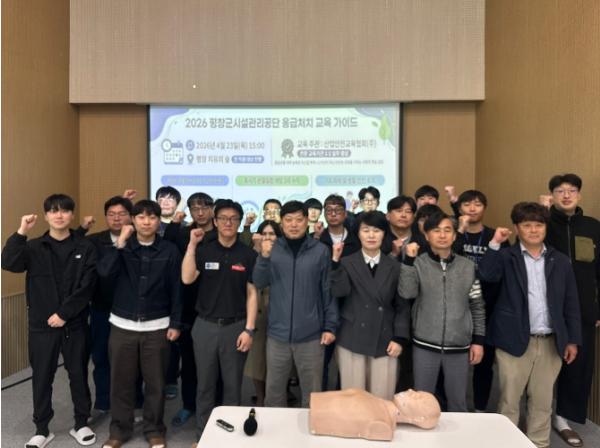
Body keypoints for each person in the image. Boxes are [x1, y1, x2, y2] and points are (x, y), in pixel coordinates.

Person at [478, 202, 581, 448]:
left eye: (538, 225)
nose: (533, 230)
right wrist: (495, 243)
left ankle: (539, 443)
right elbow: (486, 276)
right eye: (527, 225)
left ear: (545, 227)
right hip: (512, 340)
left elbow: (571, 302)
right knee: (509, 401)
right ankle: (507, 444)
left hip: (550, 342)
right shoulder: (506, 256)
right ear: (516, 228)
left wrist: (573, 340)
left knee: (542, 403)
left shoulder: (560, 261)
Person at [2, 194, 97, 447]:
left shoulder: (85, 247)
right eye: (53, 211)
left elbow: (87, 286)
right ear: (46, 216)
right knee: (42, 377)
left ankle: (81, 423)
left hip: (74, 323)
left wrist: (64, 314)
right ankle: (42, 428)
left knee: (78, 374)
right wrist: (22, 231)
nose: (59, 215)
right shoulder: (33, 247)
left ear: (72, 215)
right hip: (41, 326)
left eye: (64, 210)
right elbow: (8, 262)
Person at [97, 199, 183, 448]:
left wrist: (176, 323)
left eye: (152, 217)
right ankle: (119, 430)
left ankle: (154, 428)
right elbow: (104, 273)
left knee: (156, 383)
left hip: (157, 326)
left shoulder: (169, 250)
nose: (147, 222)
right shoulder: (122, 247)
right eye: (141, 217)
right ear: (132, 220)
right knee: (121, 383)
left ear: (158, 221)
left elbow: (177, 289)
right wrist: (121, 244)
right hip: (122, 325)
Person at [181, 199, 258, 438]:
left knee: (232, 386)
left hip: (236, 327)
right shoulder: (205, 250)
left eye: (233, 219)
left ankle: (229, 437)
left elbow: (252, 293)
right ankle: (204, 435)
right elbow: (187, 278)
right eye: (223, 218)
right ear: (215, 222)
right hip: (205, 326)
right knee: (205, 384)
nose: (228, 223)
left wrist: (249, 329)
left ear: (239, 222)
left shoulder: (248, 254)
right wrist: (192, 246)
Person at [253, 200, 339, 408]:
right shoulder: (272, 249)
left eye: (299, 220)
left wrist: (330, 326)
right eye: (288, 220)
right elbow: (259, 282)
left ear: (307, 221)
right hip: (277, 335)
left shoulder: (320, 251)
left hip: (311, 336)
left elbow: (327, 291)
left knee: (312, 395)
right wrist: (264, 257)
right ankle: (275, 430)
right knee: (274, 393)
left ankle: (312, 429)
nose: (294, 224)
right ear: (281, 223)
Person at [398, 211, 485, 412]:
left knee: (458, 402)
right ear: (427, 236)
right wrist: (408, 261)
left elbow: (477, 305)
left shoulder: (468, 267)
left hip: (459, 345)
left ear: (455, 236)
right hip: (425, 344)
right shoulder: (418, 263)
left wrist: (478, 341)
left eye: (447, 230)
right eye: (436, 230)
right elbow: (407, 293)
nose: (442, 235)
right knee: (422, 401)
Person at [541, 174, 600, 447]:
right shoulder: (542, 222)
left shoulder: (592, 226)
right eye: (560, 191)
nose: (566, 195)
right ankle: (536, 413)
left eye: (572, 190)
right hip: (547, 305)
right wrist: (542, 214)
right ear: (552, 195)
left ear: (579, 194)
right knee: (541, 363)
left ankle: (563, 418)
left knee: (577, 367)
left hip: (584, 307)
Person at [330, 211, 410, 399]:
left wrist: (399, 338)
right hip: (352, 337)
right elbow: (339, 292)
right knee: (353, 399)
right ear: (358, 234)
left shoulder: (395, 266)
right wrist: (334, 263)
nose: (371, 235)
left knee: (382, 398)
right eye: (366, 230)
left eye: (377, 230)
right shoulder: (346, 263)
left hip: (385, 339)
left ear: (384, 234)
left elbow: (402, 306)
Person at [453, 189, 509, 413]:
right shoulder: (452, 234)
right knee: (454, 361)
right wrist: (459, 230)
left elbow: (499, 272)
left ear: (484, 208)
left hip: (488, 306)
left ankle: (480, 408)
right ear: (459, 208)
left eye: (477, 204)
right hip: (457, 305)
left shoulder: (497, 236)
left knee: (484, 363)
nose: (472, 208)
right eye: (467, 204)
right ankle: (453, 406)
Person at [163, 192, 216, 418]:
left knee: (214, 362)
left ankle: (216, 406)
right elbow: (166, 245)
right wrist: (175, 222)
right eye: (195, 208)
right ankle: (189, 405)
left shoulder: (221, 234)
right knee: (189, 359)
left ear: (212, 209)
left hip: (215, 304)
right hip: (188, 304)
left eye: (204, 208)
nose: (200, 212)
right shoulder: (184, 234)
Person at [86, 195, 134, 420]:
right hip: (102, 308)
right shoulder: (94, 241)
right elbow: (101, 272)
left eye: (122, 214)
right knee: (101, 357)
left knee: (133, 360)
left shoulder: (140, 239)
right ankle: (103, 402)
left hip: (131, 310)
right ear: (105, 217)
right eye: (111, 214)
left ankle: (136, 402)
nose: (116, 218)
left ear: (130, 217)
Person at [312, 194, 360, 390]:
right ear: (324, 214)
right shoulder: (316, 240)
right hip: (322, 308)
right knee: (321, 361)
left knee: (348, 363)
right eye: (329, 211)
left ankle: (344, 399)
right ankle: (321, 399)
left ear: (345, 213)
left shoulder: (356, 241)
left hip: (350, 307)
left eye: (338, 210)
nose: (333, 214)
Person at [244, 220, 283, 406]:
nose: (268, 237)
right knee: (257, 359)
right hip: (257, 311)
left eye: (272, 234)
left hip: (279, 311)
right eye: (264, 233)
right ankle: (260, 396)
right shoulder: (252, 254)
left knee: (280, 360)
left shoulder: (284, 254)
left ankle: (279, 394)